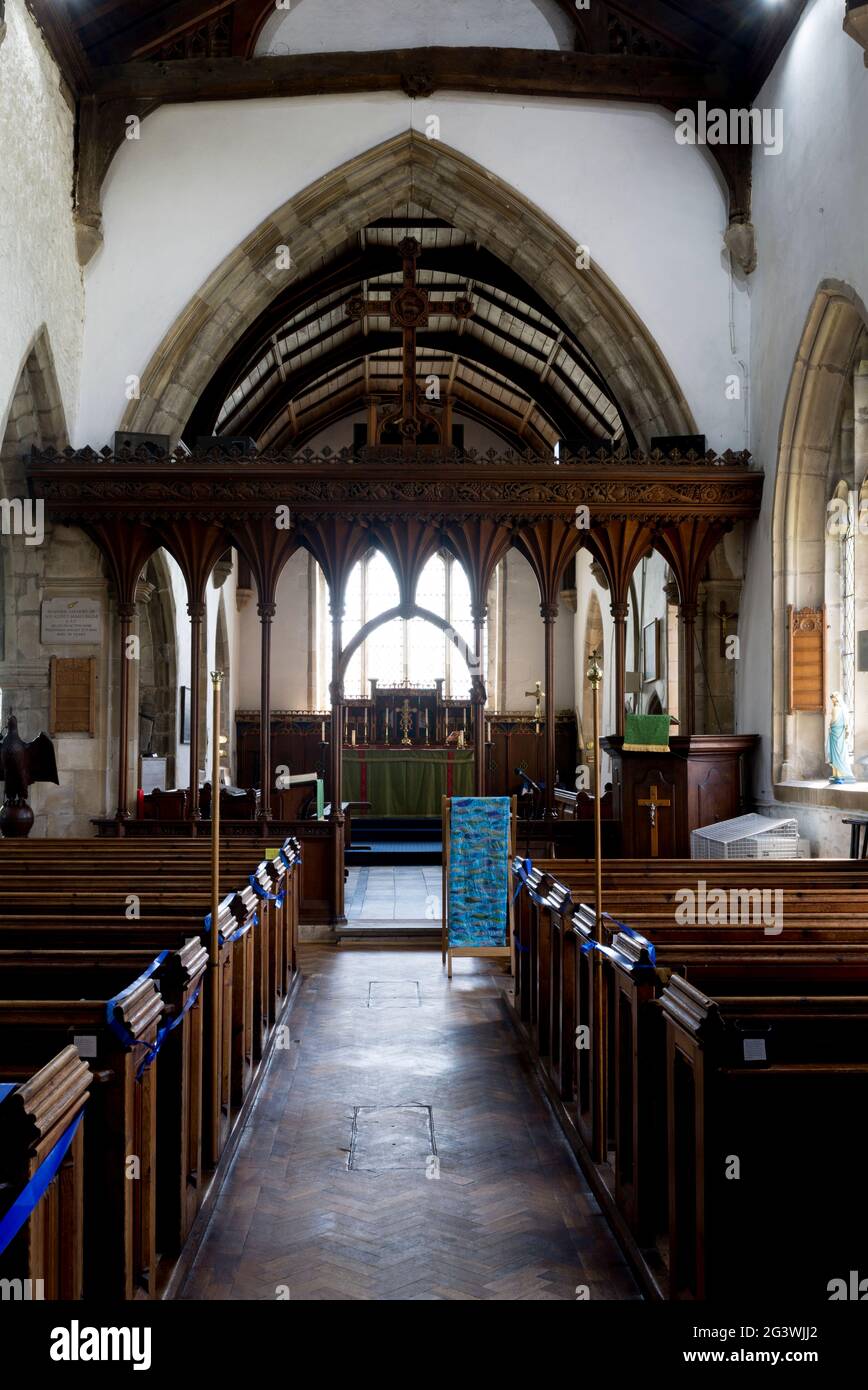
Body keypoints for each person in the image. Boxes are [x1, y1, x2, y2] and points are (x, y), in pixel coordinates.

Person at [826, 692, 856, 783]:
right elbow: (845, 722)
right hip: (841, 733)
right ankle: (839, 774)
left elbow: (833, 720)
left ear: (836, 699)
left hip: (835, 732)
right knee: (840, 752)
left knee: (836, 753)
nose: (832, 700)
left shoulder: (835, 708)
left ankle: (837, 775)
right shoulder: (843, 709)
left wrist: (830, 725)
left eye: (833, 699)